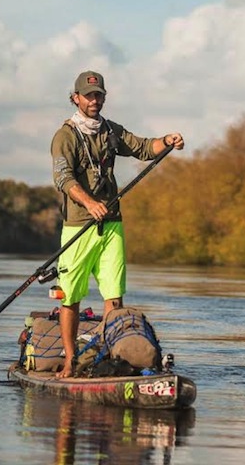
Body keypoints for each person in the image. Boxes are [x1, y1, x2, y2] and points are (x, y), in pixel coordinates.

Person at [50, 70, 184, 378]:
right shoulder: (65, 136)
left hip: (112, 225)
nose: (94, 100)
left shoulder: (111, 130)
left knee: (114, 296)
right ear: (76, 98)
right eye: (88, 95)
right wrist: (89, 202)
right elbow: (63, 178)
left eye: (99, 95)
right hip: (78, 226)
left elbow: (142, 147)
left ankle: (104, 358)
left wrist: (167, 140)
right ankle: (71, 360)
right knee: (70, 295)